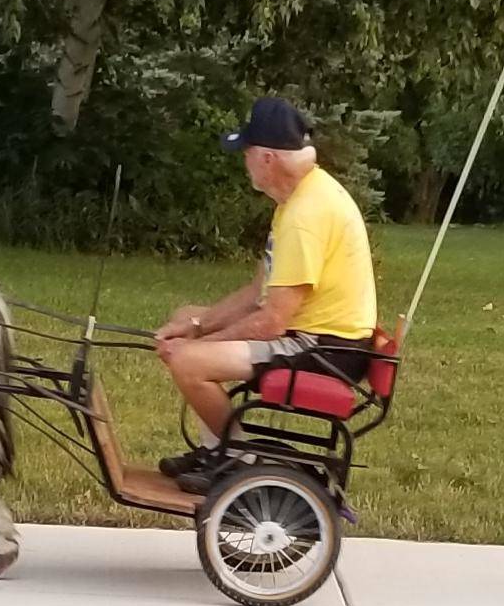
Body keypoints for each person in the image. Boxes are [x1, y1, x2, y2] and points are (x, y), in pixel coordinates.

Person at [155, 96, 377, 488]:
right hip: (320, 337)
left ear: (267, 159)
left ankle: (237, 461)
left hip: (325, 349)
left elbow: (272, 321)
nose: (244, 163)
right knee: (188, 322)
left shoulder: (305, 217)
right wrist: (196, 325)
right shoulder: (299, 200)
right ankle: (218, 451)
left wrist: (198, 347)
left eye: (246, 153)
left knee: (190, 364)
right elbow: (257, 290)